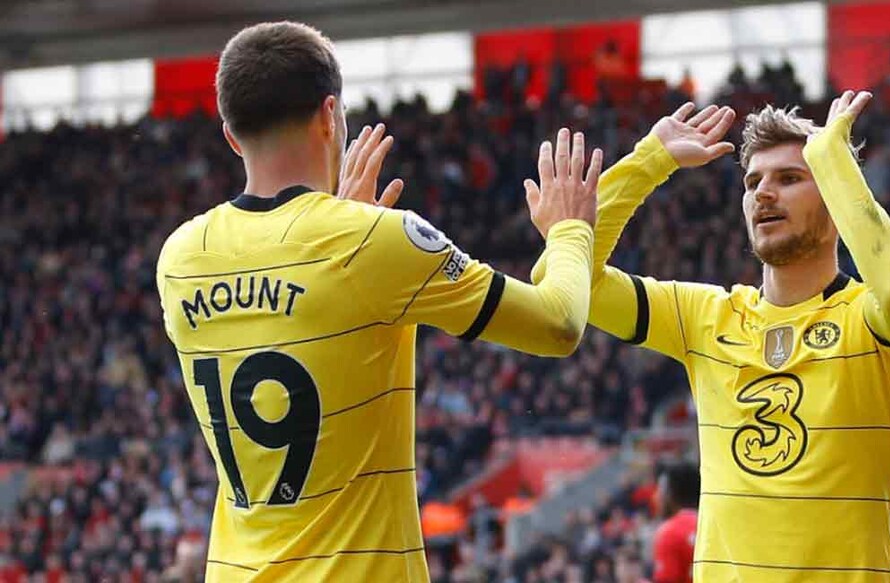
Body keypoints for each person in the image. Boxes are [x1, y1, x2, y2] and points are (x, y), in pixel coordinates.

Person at [156, 21, 604, 581]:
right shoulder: (373, 243)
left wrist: (337, 223)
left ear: (230, 135)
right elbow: (558, 324)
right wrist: (569, 229)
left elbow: (284, 304)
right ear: (330, 115)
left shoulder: (180, 257)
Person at [537, 91, 890, 580]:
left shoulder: (870, 321)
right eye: (753, 182)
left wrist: (833, 160)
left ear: (834, 196)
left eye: (790, 178)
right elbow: (567, 279)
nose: (764, 193)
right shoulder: (706, 317)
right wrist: (649, 161)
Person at [652, 463, 700, 583]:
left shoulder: (670, 532)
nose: (655, 497)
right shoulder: (714, 525)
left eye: (659, 490)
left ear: (670, 494)